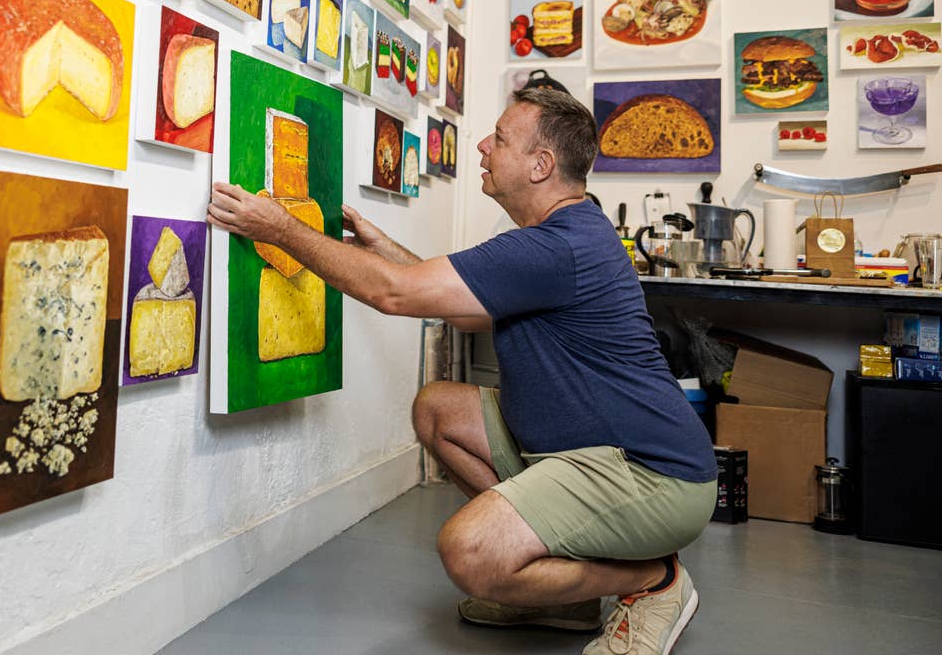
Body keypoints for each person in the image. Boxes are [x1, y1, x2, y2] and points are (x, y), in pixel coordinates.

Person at [207, 88, 717, 655]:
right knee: (438, 408)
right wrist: (388, 248)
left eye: (499, 138)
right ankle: (567, 596)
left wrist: (280, 228)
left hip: (653, 476)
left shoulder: (556, 247)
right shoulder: (559, 237)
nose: (481, 145)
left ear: (540, 165)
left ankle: (652, 579)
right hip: (581, 450)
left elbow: (394, 294)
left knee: (470, 551)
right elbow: (464, 308)